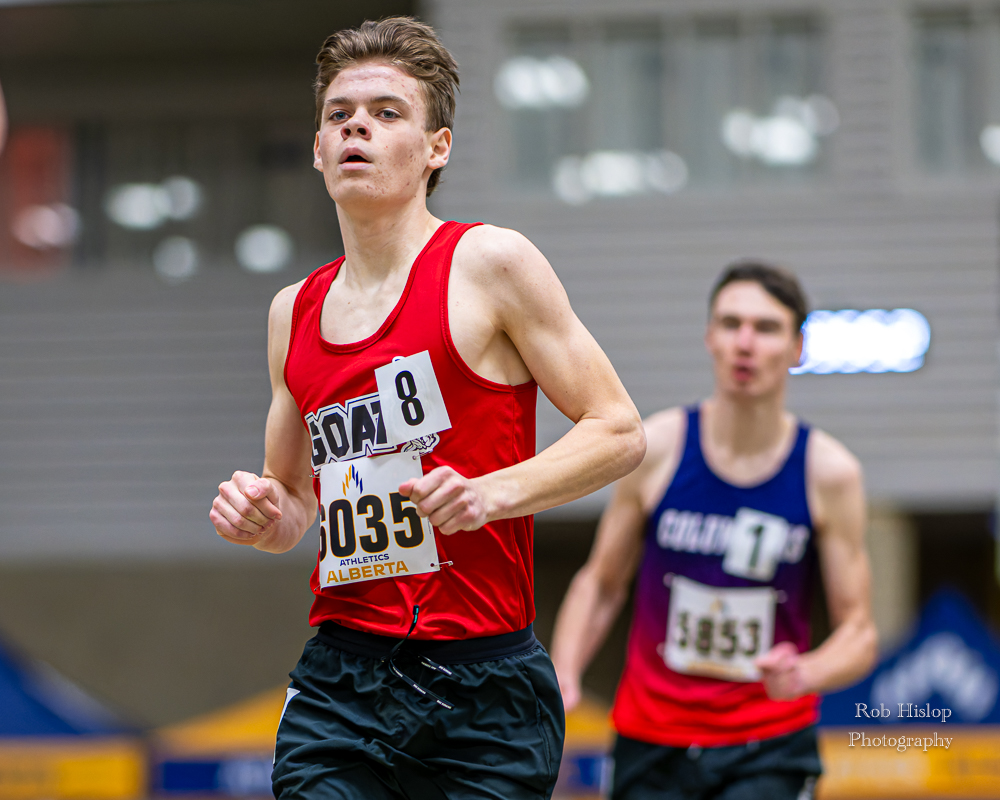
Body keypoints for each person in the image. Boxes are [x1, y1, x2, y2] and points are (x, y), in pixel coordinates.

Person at [208, 16, 645, 800]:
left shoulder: (489, 264)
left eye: (386, 113)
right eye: (339, 115)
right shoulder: (291, 312)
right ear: (317, 149)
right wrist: (261, 515)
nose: (357, 128)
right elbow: (295, 503)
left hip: (483, 684)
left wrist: (491, 493)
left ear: (436, 147)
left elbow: (618, 430)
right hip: (342, 677)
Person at [551, 262, 877, 800]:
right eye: (730, 323)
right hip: (651, 739)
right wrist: (564, 672)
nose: (745, 343)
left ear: (798, 348)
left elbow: (859, 632)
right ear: (709, 337)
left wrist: (805, 672)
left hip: (768, 743)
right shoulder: (656, 449)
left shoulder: (829, 473)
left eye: (766, 328)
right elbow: (602, 583)